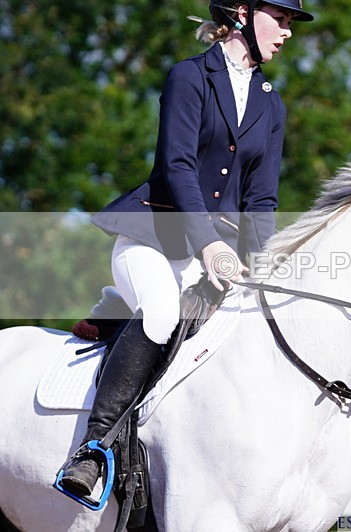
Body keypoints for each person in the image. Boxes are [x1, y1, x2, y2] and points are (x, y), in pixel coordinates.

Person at [56, 0, 314, 499]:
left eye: (289, 24)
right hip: (153, 238)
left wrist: (263, 267)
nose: (287, 33)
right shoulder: (189, 77)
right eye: (279, 19)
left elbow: (262, 199)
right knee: (160, 313)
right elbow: (176, 167)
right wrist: (211, 244)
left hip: (214, 260)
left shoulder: (271, 104)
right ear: (242, 12)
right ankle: (92, 449)